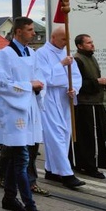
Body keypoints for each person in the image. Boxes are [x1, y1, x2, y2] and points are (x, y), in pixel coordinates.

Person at [0, 16, 49, 211]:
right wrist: (29, 85)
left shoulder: (31, 53)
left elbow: (38, 77)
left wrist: (39, 85)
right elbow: (1, 84)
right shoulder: (6, 54)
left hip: (29, 110)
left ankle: (9, 198)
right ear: (18, 32)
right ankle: (32, 209)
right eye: (30, 30)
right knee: (22, 160)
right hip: (15, 114)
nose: (34, 33)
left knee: (20, 158)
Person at [37, 27, 85, 189]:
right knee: (55, 135)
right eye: (63, 39)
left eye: (67, 39)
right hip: (50, 98)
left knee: (65, 135)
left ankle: (51, 170)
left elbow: (76, 76)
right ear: (53, 37)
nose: (66, 43)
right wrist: (60, 65)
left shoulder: (67, 52)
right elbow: (44, 78)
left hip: (64, 98)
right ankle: (66, 174)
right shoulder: (42, 53)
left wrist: (74, 89)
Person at [71, 34, 106, 179]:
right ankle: (90, 166)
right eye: (88, 43)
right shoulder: (77, 60)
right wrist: (97, 82)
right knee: (90, 137)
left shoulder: (91, 58)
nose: (92, 45)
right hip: (86, 104)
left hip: (96, 102)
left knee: (100, 134)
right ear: (80, 46)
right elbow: (79, 84)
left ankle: (87, 163)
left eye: (92, 42)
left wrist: (102, 82)